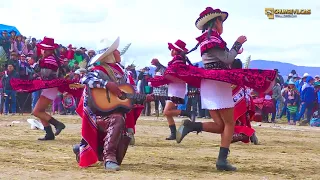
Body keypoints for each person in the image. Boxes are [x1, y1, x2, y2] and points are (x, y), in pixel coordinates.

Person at [149, 7, 276, 171]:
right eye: (221, 21)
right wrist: (237, 44)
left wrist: (234, 51)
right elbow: (227, 58)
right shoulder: (213, 40)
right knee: (229, 123)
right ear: (216, 22)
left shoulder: (207, 40)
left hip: (208, 83)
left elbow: (224, 59)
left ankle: (192, 127)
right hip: (217, 82)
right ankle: (221, 160)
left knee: (221, 125)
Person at [72, 37, 150, 171]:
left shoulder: (124, 72)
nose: (119, 52)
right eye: (116, 51)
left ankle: (83, 149)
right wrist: (106, 84)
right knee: (117, 118)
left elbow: (129, 94)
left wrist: (142, 97)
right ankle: (109, 157)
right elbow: (86, 79)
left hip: (116, 110)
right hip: (99, 114)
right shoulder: (98, 70)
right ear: (110, 55)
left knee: (119, 120)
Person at [9, 37, 82, 140]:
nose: (42, 50)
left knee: (36, 111)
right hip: (50, 86)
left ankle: (58, 124)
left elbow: (46, 75)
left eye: (44, 49)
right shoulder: (51, 58)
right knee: (41, 111)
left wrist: (33, 65)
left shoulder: (49, 59)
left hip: (50, 86)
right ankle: (49, 133)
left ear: (49, 50)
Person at [231, 59, 258, 144]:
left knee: (234, 119)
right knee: (244, 120)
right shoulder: (243, 76)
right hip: (245, 100)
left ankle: (248, 133)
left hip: (237, 101)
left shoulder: (232, 76)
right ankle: (249, 133)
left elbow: (232, 88)